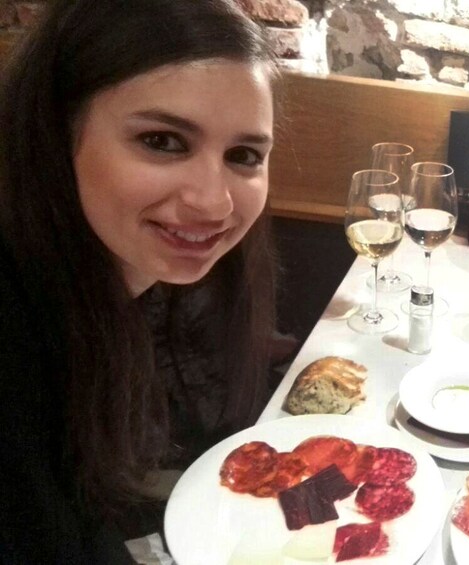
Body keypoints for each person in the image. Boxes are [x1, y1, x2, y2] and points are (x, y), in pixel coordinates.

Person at [0, 0, 278, 562]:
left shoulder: (152, 276)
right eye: (162, 141)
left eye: (244, 155)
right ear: (55, 134)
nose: (214, 201)